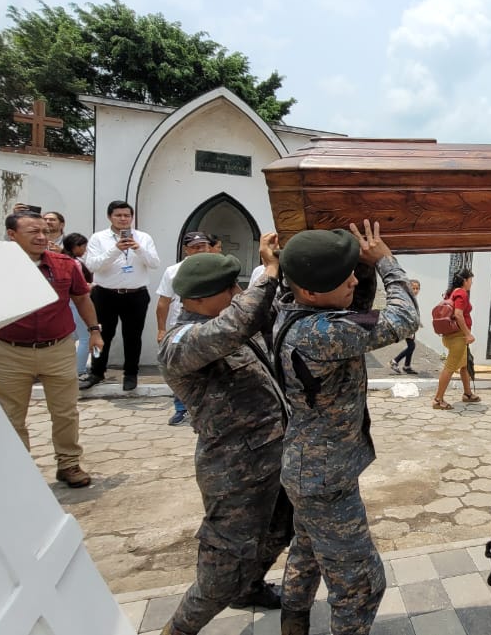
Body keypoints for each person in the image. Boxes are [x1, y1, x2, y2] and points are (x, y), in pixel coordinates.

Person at [273, 221, 418, 635]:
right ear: (312, 291)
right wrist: (386, 262)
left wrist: (359, 264)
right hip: (325, 476)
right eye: (344, 276)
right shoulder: (322, 333)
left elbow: (355, 308)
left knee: (307, 552)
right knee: (361, 586)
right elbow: (403, 321)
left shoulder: (291, 305)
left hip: (308, 466)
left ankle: (294, 625)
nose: (354, 278)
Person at [156, 236, 291, 635]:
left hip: (273, 453)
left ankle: (249, 588)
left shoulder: (222, 321)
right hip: (234, 471)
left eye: (238, 286)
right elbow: (239, 322)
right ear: (195, 300)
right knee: (222, 566)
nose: (237, 294)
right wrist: (267, 273)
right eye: (229, 289)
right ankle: (178, 629)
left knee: (282, 529)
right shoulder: (181, 342)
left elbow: (267, 314)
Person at [0, 211, 105, 488]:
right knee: (10, 414)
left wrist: (94, 331)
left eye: (45, 231)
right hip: (10, 351)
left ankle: (68, 464)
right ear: (12, 235)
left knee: (65, 411)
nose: (42, 237)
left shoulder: (65, 265)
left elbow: (81, 299)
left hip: (58, 348)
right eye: (33, 232)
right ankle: (19, 469)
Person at [82, 200, 160, 391]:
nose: (123, 219)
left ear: (132, 217)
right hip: (104, 295)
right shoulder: (98, 238)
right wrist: (116, 249)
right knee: (101, 334)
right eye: (118, 215)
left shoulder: (143, 237)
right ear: (110, 217)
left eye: (127, 215)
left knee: (133, 337)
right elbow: (92, 265)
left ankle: (131, 374)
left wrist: (138, 248)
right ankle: (97, 372)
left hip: (136, 295)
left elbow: (154, 263)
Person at [156, 231, 216, 426]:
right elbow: (163, 302)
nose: (201, 250)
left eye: (204, 246)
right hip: (182, 326)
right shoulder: (173, 271)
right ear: (186, 250)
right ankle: (181, 409)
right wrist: (161, 329)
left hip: (211, 327)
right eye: (196, 247)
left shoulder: (218, 269)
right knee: (181, 369)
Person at [432, 269, 476, 410]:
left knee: (463, 366)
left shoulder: (451, 292)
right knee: (450, 368)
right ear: (465, 280)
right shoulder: (461, 293)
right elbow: (458, 314)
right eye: (470, 280)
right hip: (458, 337)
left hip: (451, 335)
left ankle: (468, 394)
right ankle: (438, 400)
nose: (471, 283)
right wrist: (468, 334)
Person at [63, 233, 95, 379]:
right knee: (85, 337)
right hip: (77, 302)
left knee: (72, 336)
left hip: (67, 303)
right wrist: (91, 286)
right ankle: (79, 370)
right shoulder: (74, 263)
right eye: (83, 247)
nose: (85, 250)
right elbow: (79, 287)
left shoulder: (63, 260)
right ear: (76, 247)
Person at [389, 279, 422, 375]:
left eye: (417, 288)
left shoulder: (412, 298)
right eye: (413, 288)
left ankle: (407, 366)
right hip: (407, 325)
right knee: (411, 346)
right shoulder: (408, 299)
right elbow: (407, 313)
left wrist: (418, 322)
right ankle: (394, 361)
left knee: (411, 346)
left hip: (411, 325)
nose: (415, 290)